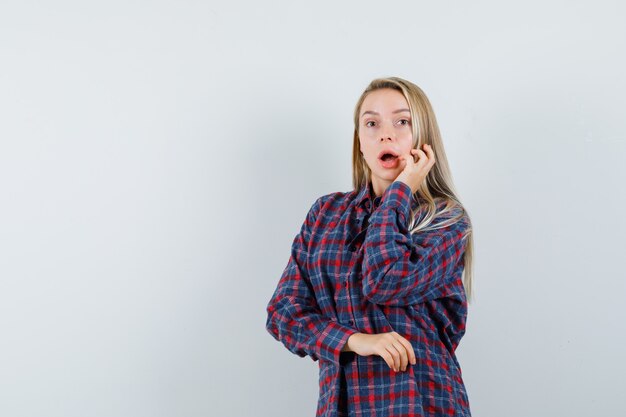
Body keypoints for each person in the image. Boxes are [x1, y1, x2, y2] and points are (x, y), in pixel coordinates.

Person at [265, 76, 475, 417]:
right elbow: (283, 313)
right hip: (341, 405)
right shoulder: (326, 214)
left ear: (424, 139)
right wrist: (354, 341)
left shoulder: (446, 221)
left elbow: (384, 281)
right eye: (371, 123)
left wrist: (401, 191)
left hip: (419, 402)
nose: (385, 134)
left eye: (402, 122)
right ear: (359, 141)